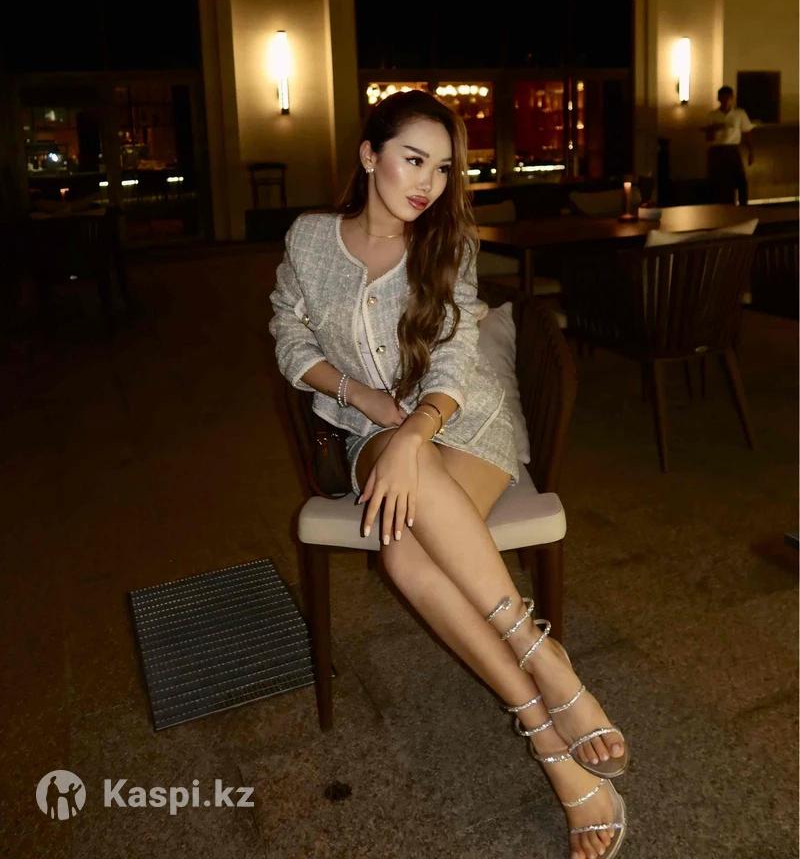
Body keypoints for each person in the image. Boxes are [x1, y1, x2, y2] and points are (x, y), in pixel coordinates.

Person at [269, 90, 628, 858]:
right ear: (370, 155)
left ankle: (547, 734)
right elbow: (289, 336)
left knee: (402, 556)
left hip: (464, 418)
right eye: (412, 159)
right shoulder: (308, 239)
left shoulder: (448, 243)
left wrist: (418, 430)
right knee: (403, 523)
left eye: (441, 168)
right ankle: (552, 682)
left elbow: (458, 356)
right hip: (371, 427)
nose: (428, 183)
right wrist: (367, 401)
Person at [704, 86, 754, 205]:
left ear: (732, 99)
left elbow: (747, 132)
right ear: (719, 99)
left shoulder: (739, 113)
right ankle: (722, 206)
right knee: (719, 182)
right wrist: (713, 129)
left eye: (728, 98)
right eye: (723, 98)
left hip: (732, 149)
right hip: (717, 150)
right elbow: (708, 138)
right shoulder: (712, 115)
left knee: (741, 180)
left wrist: (751, 152)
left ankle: (743, 207)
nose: (726, 101)